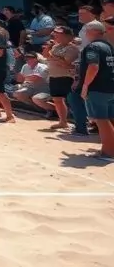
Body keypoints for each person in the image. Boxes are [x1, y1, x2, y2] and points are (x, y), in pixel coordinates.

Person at [79, 20, 114, 161]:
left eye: (87, 30)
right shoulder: (108, 46)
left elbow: (93, 66)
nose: (85, 33)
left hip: (98, 88)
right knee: (109, 120)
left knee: (101, 120)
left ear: (93, 31)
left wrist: (85, 85)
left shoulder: (93, 47)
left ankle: (108, 153)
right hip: (110, 87)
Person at [42, 26, 80, 131]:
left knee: (72, 101)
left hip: (66, 77)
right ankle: (63, 122)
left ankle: (80, 124)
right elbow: (45, 55)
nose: (56, 35)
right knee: (57, 100)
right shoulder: (55, 46)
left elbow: (66, 64)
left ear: (67, 36)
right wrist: (48, 48)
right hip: (54, 76)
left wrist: (53, 57)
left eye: (59, 34)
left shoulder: (72, 48)